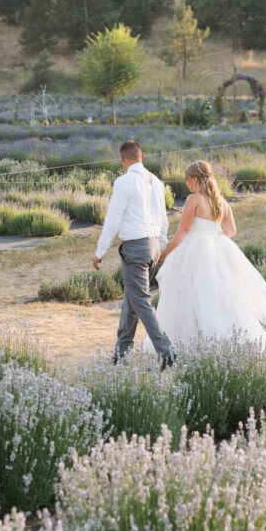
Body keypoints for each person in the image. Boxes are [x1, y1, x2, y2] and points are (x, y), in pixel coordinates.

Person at [144, 159, 266, 352]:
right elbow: (231, 231)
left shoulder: (194, 200)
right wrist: (213, 238)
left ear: (195, 180)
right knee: (218, 296)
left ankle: (190, 341)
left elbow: (183, 231)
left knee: (190, 295)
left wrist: (164, 254)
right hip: (217, 252)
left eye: (187, 180)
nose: (186, 184)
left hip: (195, 253)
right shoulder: (221, 202)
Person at [93, 140, 176, 369]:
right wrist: (161, 246)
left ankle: (167, 352)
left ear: (122, 159)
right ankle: (122, 354)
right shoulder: (156, 182)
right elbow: (163, 219)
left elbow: (113, 219)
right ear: (143, 156)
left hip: (136, 247)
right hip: (152, 246)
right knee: (131, 301)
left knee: (141, 300)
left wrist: (100, 250)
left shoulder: (124, 181)